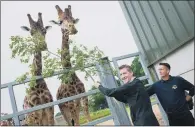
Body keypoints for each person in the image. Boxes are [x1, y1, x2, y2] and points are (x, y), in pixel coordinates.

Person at [94, 65, 159, 126]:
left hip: (145, 122)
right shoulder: (136, 84)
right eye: (121, 74)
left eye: (124, 73)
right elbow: (127, 100)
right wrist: (115, 95)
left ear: (131, 73)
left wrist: (99, 86)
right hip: (141, 121)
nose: (122, 76)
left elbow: (108, 92)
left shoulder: (133, 84)